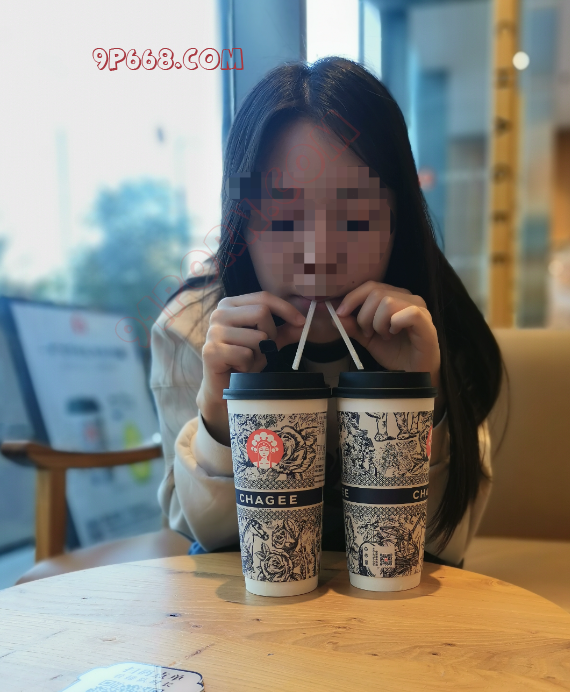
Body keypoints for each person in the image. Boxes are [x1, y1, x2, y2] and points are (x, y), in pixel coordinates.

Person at [150, 57, 503, 568]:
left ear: (398, 223)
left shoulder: (435, 328)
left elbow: (445, 542)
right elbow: (205, 537)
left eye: (355, 220)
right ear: (240, 226)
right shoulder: (192, 330)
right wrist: (220, 414)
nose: (317, 256)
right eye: (281, 220)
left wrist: (420, 392)